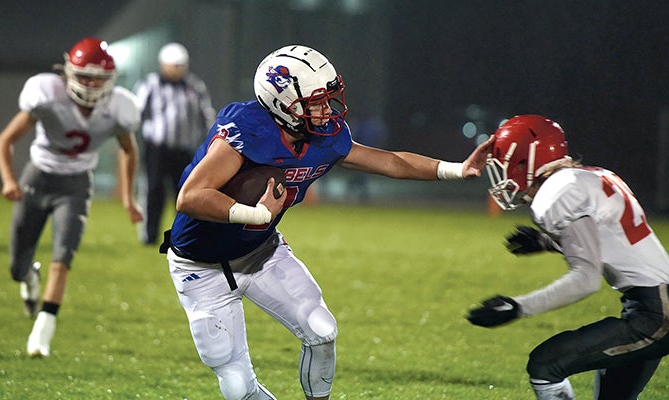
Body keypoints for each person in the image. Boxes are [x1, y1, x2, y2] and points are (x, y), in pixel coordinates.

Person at [161, 45, 493, 400]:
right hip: (200, 268)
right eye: (316, 101)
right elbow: (191, 197)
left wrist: (458, 169)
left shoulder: (324, 137)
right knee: (238, 386)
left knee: (322, 330)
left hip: (260, 253)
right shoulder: (247, 129)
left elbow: (392, 161)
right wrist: (258, 214)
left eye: (328, 98)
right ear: (280, 102)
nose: (326, 109)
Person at [466, 115, 669, 400]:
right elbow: (611, 240)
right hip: (654, 306)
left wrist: (517, 307)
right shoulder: (593, 175)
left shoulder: (556, 194)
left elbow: (586, 278)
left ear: (525, 160)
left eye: (504, 163)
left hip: (654, 315)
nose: (501, 172)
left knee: (546, 364)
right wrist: (547, 242)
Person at [0, 37, 143, 358]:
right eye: (85, 76)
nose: (91, 85)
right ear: (68, 72)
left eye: (98, 78)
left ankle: (42, 332)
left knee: (63, 259)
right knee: (16, 266)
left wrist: (128, 197)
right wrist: (8, 180)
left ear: (110, 80)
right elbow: (5, 140)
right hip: (38, 179)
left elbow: (129, 151)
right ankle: (27, 276)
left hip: (76, 185)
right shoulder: (46, 94)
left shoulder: (119, 107)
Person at [132, 42, 216, 244]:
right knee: (153, 191)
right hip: (157, 148)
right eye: (174, 65)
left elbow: (207, 115)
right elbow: (136, 113)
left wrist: (213, 140)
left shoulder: (195, 86)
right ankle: (149, 236)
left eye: (181, 65)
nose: (178, 69)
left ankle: (185, 235)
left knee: (186, 193)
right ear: (163, 64)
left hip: (184, 149)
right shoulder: (150, 84)